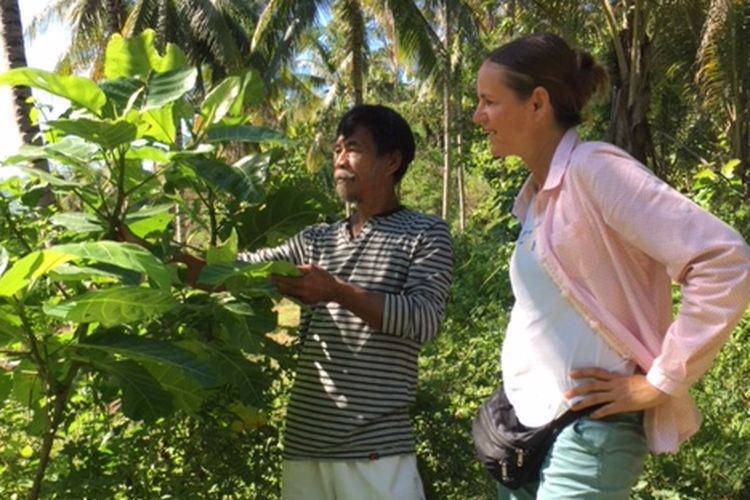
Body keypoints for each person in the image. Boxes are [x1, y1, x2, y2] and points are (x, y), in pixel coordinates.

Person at [472, 33, 750, 499]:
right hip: (526, 433)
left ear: (537, 104)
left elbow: (724, 259)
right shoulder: (536, 198)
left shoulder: (594, 169)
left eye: (488, 102)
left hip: (588, 434)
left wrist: (661, 382)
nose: (479, 116)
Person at [234, 104, 452, 499]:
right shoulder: (316, 240)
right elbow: (241, 270)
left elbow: (424, 319)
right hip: (304, 445)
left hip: (375, 449)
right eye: (336, 150)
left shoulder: (425, 233)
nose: (339, 160)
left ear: (391, 161)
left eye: (353, 148)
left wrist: (336, 291)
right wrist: (158, 257)